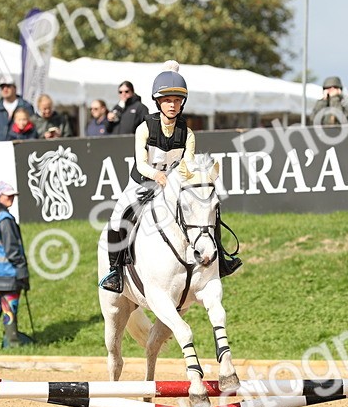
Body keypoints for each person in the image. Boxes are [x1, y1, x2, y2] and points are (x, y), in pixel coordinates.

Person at [98, 62, 241, 294]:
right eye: (167, 100)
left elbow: (189, 164)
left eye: (176, 100)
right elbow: (141, 163)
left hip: (171, 185)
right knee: (118, 217)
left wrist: (180, 180)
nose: (172, 105)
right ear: (158, 102)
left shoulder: (188, 133)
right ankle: (115, 272)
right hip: (142, 181)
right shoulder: (144, 128)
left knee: (207, 210)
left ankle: (221, 260)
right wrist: (157, 175)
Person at [0, 181, 33, 349]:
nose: (11, 198)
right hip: (6, 272)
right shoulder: (5, 219)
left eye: (12, 195)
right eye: (7, 195)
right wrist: (22, 272)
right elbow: (13, 249)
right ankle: (13, 344)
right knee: (10, 307)